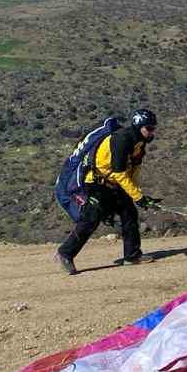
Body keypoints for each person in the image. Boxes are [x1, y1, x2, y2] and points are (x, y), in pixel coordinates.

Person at [55, 109, 159, 275]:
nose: (152, 131)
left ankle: (132, 256)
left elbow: (134, 171)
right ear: (139, 126)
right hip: (96, 183)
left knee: (129, 212)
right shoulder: (122, 139)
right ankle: (65, 253)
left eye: (153, 128)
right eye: (149, 128)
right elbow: (119, 172)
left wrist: (139, 195)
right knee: (92, 218)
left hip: (115, 183)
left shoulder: (139, 143)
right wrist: (137, 196)